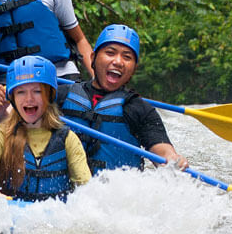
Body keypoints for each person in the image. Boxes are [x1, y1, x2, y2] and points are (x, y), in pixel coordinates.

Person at [55, 24, 189, 175]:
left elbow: (163, 151)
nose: (118, 61)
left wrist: (173, 161)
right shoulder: (60, 97)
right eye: (110, 53)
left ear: (134, 68)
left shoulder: (140, 109)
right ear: (93, 58)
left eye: (127, 57)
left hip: (112, 194)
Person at [0, 55, 90, 201]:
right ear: (12, 98)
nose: (29, 99)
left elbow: (86, 188)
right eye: (21, 92)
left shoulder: (68, 139)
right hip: (11, 215)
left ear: (50, 96)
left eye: (37, 91)